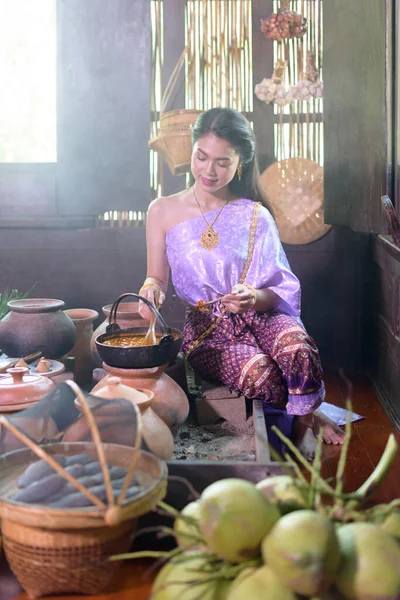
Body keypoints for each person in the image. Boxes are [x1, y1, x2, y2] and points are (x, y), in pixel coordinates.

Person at [139, 107, 344, 460]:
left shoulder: (255, 215)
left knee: (298, 350)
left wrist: (252, 297)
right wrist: (149, 291)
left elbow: (279, 290)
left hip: (260, 315)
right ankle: (309, 412)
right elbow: (155, 277)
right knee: (263, 377)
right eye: (201, 157)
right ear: (191, 150)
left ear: (241, 163)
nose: (208, 170)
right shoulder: (161, 211)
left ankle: (305, 417)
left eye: (222, 162)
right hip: (208, 330)